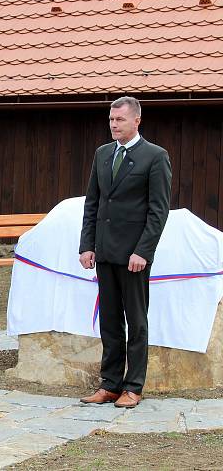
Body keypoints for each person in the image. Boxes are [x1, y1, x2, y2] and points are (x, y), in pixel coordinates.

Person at [79, 96, 171, 409]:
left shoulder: (155, 157)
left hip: (134, 257)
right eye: (111, 120)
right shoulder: (103, 154)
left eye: (120, 120)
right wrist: (87, 245)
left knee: (136, 321)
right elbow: (92, 203)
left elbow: (158, 210)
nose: (114, 125)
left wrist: (143, 250)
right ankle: (110, 384)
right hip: (104, 252)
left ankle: (134, 386)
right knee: (110, 322)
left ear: (136, 121)